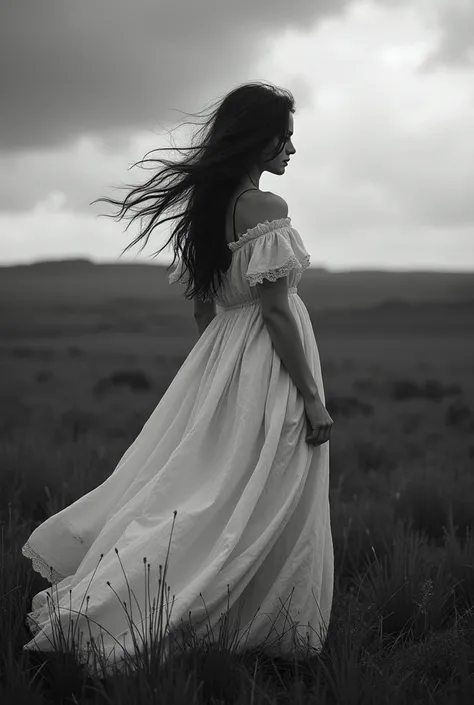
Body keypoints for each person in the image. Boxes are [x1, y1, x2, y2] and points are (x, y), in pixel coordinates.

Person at [21, 81, 334, 676]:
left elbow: (202, 309)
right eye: (284, 136)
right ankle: (247, 623)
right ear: (254, 138)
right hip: (267, 361)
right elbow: (274, 311)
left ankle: (176, 605)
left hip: (221, 359)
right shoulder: (266, 209)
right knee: (263, 491)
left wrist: (220, 374)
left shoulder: (208, 210)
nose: (291, 149)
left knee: (209, 489)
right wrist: (313, 399)